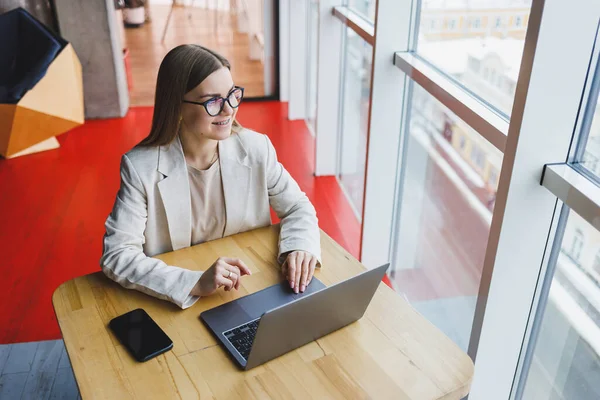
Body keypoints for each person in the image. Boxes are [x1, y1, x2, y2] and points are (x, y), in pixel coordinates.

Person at [100, 44, 321, 309]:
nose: (229, 110)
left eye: (232, 95)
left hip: (250, 289)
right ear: (177, 106)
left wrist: (299, 247)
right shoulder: (140, 168)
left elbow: (297, 206)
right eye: (213, 101)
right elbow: (117, 254)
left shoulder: (255, 148)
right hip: (179, 301)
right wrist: (192, 282)